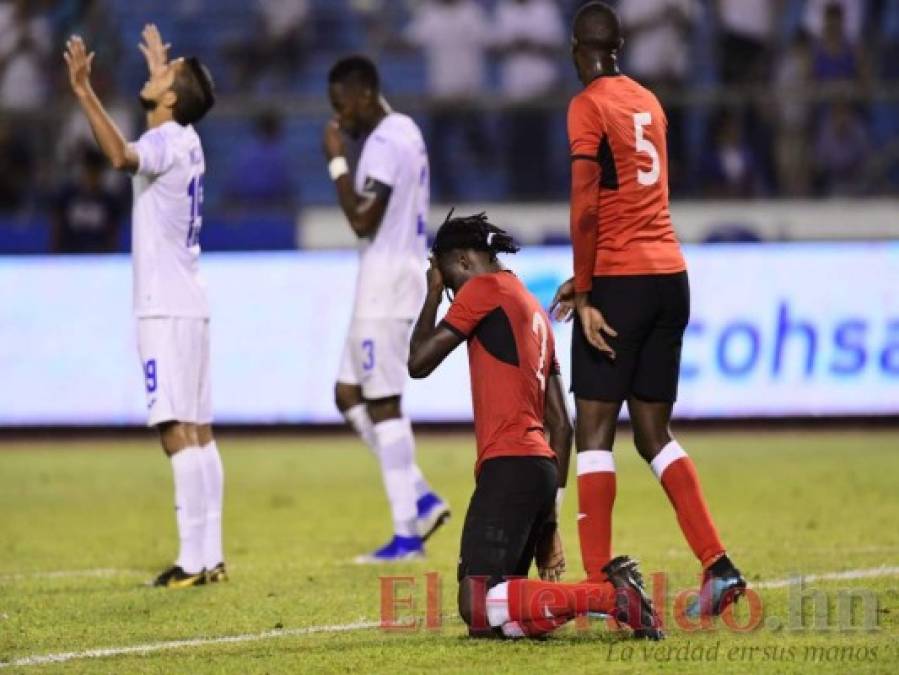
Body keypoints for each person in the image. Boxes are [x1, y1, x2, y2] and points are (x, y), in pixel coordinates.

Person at [551, 2, 746, 618]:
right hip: (669, 276)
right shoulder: (649, 101)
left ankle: (597, 587)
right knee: (655, 434)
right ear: (622, 46)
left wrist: (586, 290)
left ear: (578, 49)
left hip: (621, 284)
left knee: (595, 434)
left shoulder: (587, 106)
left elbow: (586, 206)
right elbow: (636, 200)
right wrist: (587, 276)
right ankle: (719, 566)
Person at [408, 211, 662, 640]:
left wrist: (431, 294)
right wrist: (549, 521)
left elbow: (417, 363)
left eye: (450, 278)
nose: (452, 290)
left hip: (508, 466)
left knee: (475, 604)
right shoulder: (530, 307)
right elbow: (561, 426)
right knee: (497, 620)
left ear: (467, 260)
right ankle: (608, 595)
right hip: (538, 471)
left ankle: (607, 597)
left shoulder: (483, 289)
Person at [64, 25, 225, 588]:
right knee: (199, 429)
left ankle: (191, 560)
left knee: (173, 429)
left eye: (163, 74)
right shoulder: (189, 141)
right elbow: (163, 119)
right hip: (192, 300)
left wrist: (84, 91)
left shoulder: (162, 144)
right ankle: (212, 557)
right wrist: (165, 73)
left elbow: (119, 154)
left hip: (163, 306)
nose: (152, 74)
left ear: (173, 99)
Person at [323, 55, 449, 563]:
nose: (339, 120)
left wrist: (335, 159)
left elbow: (361, 219)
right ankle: (418, 495)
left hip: (386, 285)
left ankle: (406, 536)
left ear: (363, 95)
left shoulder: (381, 143)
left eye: (341, 107)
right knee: (348, 392)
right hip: (392, 278)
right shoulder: (408, 131)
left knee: (383, 402)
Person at [52, 146, 123, 253]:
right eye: (88, 171)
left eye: (95, 172)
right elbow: (57, 230)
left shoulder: (109, 201)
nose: (91, 176)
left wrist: (110, 258)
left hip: (98, 259)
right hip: (69, 257)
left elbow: (112, 236)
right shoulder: (67, 197)